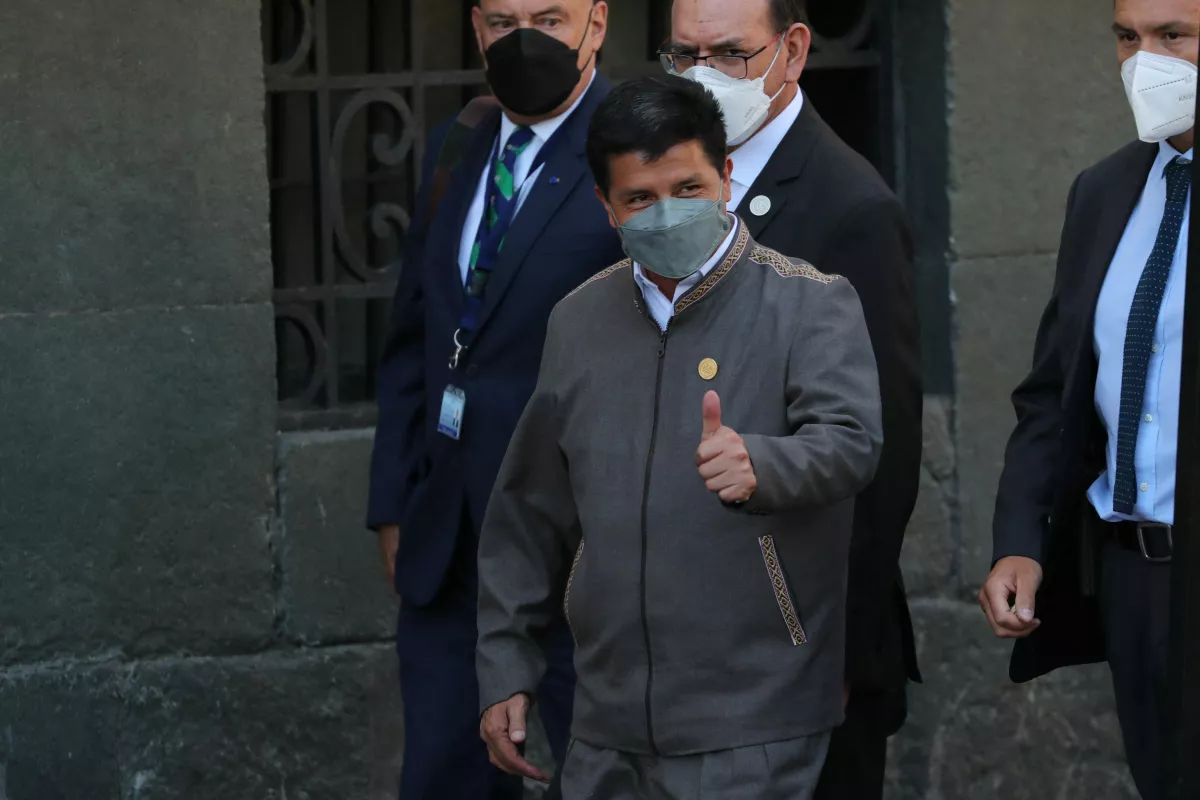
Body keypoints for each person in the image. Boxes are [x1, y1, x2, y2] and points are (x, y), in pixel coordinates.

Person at [476, 75, 883, 800]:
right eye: (640, 198)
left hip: (756, 718)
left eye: (689, 188)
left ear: (725, 177)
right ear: (605, 206)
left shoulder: (808, 301)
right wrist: (505, 667)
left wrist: (764, 464)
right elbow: (528, 511)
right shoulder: (578, 321)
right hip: (606, 722)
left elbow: (853, 442)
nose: (667, 212)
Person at [661, 1, 924, 796]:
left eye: (730, 55)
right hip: (679, 634)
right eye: (684, 56)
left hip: (795, 640)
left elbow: (880, 455)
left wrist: (833, 650)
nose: (704, 78)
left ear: (794, 49)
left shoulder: (850, 208)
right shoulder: (663, 180)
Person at [366, 1, 622, 797]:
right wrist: (395, 501)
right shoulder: (459, 142)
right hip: (450, 541)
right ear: (476, 28)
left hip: (583, 547)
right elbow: (414, 331)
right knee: (443, 775)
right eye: (503, 20)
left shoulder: (637, 146)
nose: (524, 40)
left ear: (597, 23)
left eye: (549, 16)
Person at [980, 1, 1197, 797]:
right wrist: (1021, 541)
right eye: (1127, 37)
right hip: (1133, 576)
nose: (1146, 60)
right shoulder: (1104, 190)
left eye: (1174, 36)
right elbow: (1053, 390)